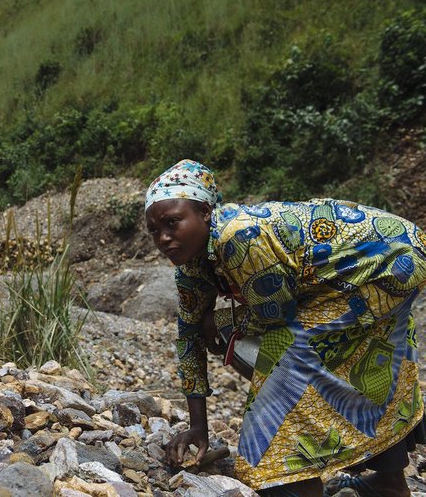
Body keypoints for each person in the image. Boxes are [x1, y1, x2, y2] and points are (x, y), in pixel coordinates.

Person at [145, 159, 426, 496]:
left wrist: (222, 322)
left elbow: (277, 315)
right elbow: (188, 336)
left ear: (205, 212)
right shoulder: (190, 265)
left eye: (173, 223)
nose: (163, 237)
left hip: (389, 262)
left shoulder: (239, 236)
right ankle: (388, 483)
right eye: (154, 230)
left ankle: (292, 477)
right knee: (359, 360)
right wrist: (198, 427)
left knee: (290, 376)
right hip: (359, 271)